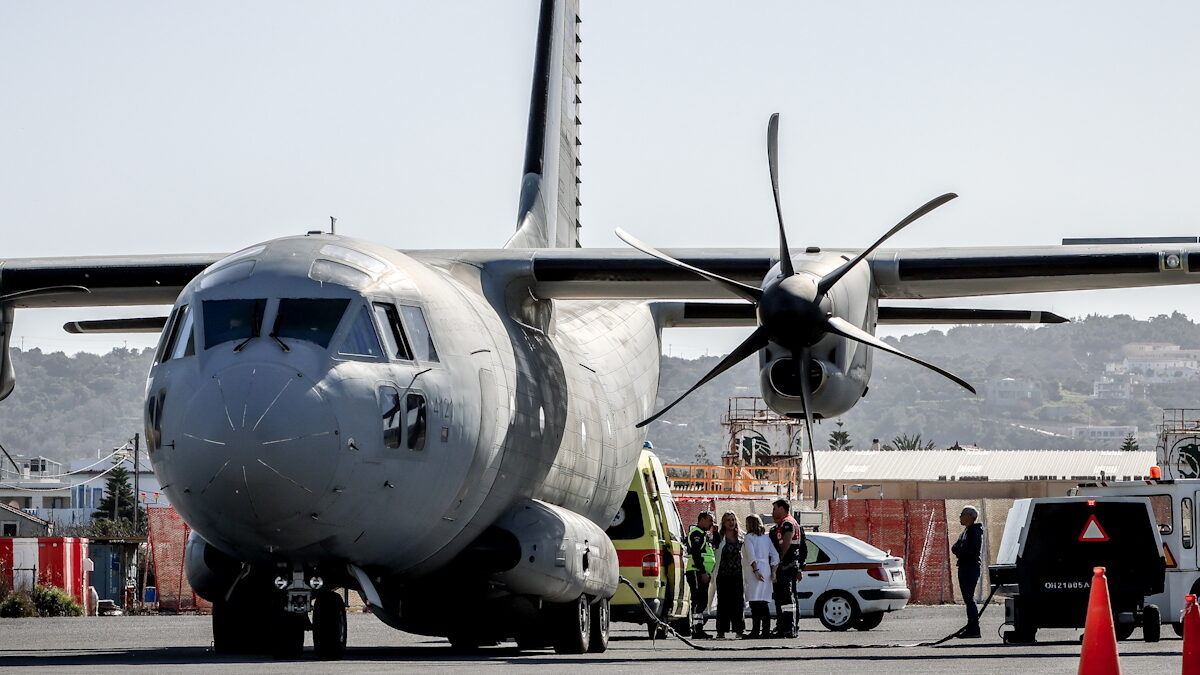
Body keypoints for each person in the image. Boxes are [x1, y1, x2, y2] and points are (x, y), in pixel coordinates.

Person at [769, 498, 805, 638]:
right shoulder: (783, 524)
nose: (772, 512)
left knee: (786, 598)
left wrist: (779, 559)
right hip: (787, 566)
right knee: (783, 598)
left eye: (774, 509)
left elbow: (787, 542)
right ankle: (784, 626)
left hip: (786, 566)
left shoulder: (788, 523)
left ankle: (788, 628)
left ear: (782, 509)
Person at [741, 513, 778, 639]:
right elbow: (775, 556)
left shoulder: (748, 538)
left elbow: (751, 556)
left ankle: (755, 630)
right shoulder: (766, 538)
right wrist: (773, 572)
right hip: (766, 569)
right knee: (764, 602)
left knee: (755, 603)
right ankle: (765, 630)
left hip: (754, 571)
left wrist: (755, 570)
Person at [951, 505, 984, 638]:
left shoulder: (973, 532)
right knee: (967, 599)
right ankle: (972, 627)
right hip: (965, 567)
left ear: (970, 517)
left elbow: (966, 550)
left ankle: (974, 628)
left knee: (969, 599)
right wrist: (960, 551)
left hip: (970, 567)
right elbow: (955, 548)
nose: (960, 517)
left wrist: (960, 551)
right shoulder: (966, 532)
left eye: (962, 514)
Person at [712, 512, 745, 639]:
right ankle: (721, 631)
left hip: (737, 574)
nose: (731, 522)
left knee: (738, 603)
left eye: (733, 520)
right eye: (728, 520)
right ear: (723, 523)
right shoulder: (720, 536)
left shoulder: (741, 537)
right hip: (723, 575)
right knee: (723, 604)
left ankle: (739, 630)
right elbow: (714, 549)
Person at [685, 511, 716, 638]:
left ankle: (699, 628)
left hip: (703, 572)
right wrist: (703, 572)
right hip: (696, 571)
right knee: (698, 600)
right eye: (710, 520)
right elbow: (697, 554)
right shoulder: (696, 533)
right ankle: (696, 630)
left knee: (702, 600)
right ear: (702, 519)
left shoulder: (704, 534)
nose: (712, 523)